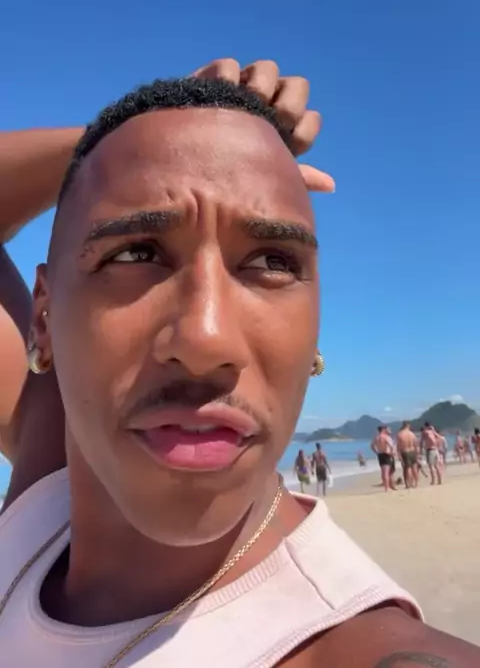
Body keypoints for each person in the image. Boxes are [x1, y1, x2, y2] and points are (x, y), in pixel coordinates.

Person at [0, 61, 478, 666]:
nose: (207, 339)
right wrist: (139, 133)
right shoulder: (45, 496)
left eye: (273, 262)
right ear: (43, 318)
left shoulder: (354, 649)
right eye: (136, 253)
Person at [370, 425, 396, 492]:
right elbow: (391, 445)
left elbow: (372, 446)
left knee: (383, 472)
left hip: (380, 454)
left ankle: (386, 487)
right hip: (386, 454)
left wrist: (376, 452)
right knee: (387, 472)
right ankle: (387, 488)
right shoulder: (386, 437)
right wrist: (392, 452)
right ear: (383, 430)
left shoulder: (377, 437)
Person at [396, 421, 419, 489]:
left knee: (407, 468)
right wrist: (417, 454)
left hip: (405, 452)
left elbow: (398, 446)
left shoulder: (400, 434)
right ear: (408, 426)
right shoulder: (412, 434)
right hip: (413, 451)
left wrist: (399, 454)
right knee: (414, 468)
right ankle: (416, 484)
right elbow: (416, 444)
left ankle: (408, 484)